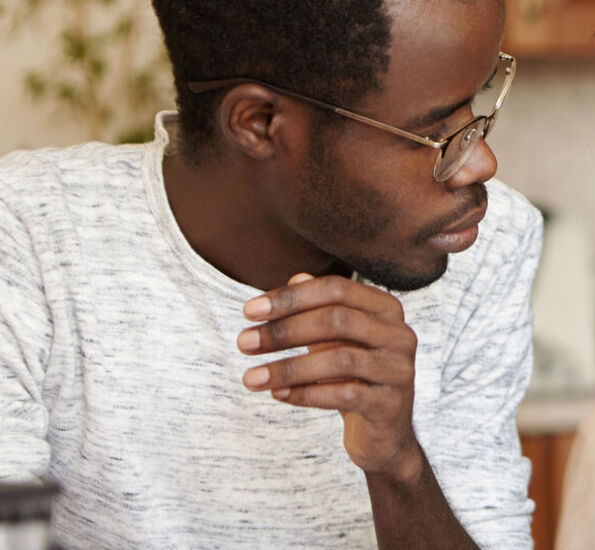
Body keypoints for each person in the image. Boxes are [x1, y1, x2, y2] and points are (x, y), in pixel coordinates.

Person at [0, 1, 542, 548]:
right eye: (431, 132)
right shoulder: (28, 238)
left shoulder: (489, 243)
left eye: (478, 103)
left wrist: (400, 467)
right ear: (258, 124)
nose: (479, 165)